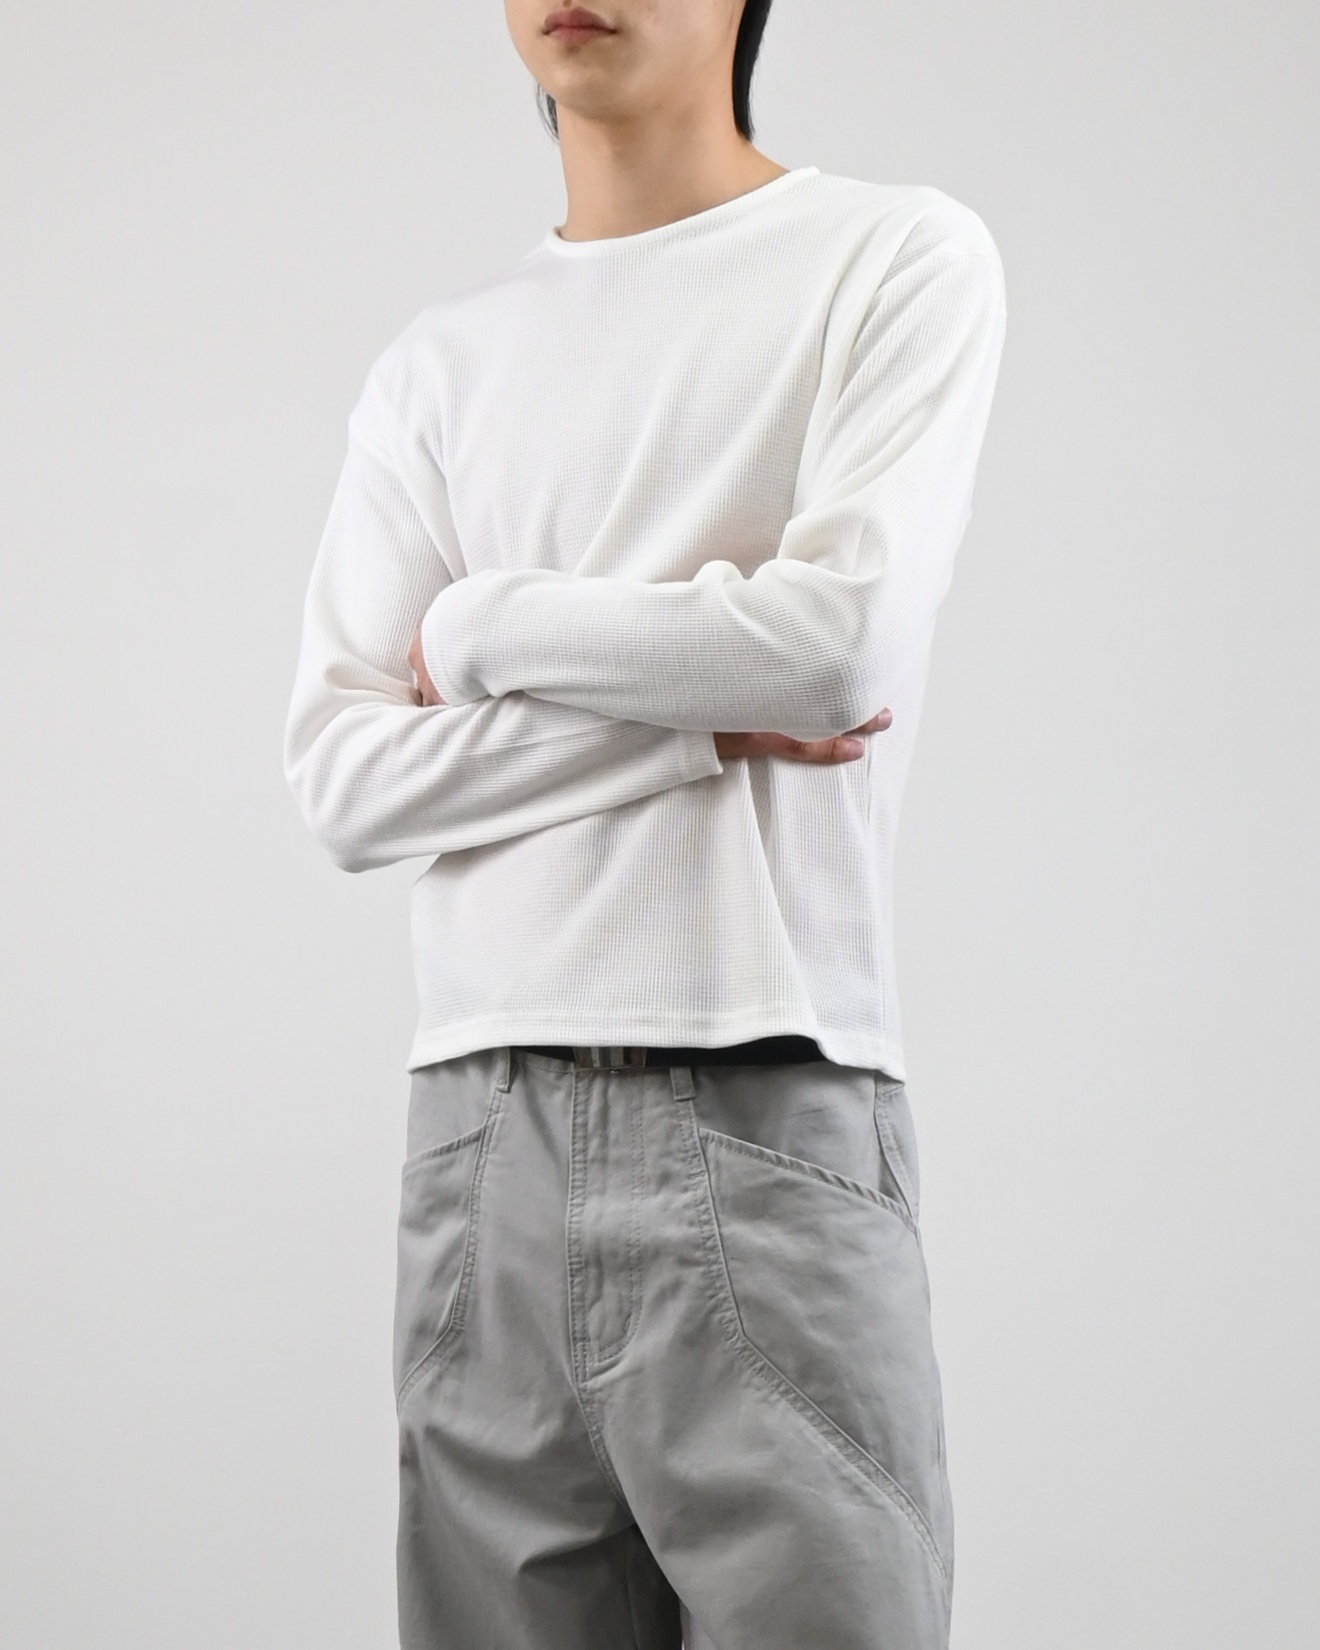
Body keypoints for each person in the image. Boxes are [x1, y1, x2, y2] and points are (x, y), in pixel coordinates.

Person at [283, 1, 1006, 1644]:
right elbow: (345, 778)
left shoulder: (891, 257)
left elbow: (832, 649)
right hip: (479, 1130)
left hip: (768, 1091)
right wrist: (691, 720)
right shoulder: (436, 363)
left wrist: (479, 625)